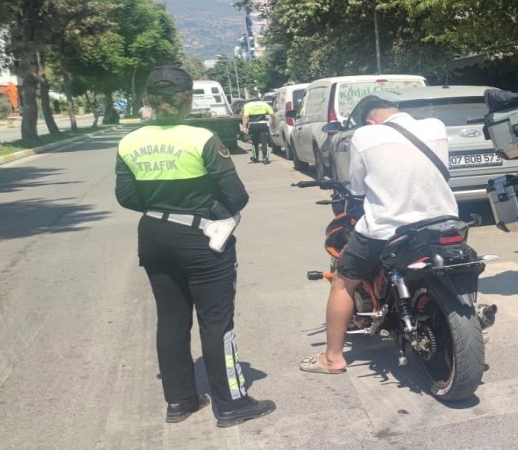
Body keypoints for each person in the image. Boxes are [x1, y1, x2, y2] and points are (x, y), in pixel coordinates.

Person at [115, 64, 275, 426]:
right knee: (216, 321)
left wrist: (161, 207)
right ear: (187, 98)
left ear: (148, 99)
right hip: (201, 239)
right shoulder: (201, 138)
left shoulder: (129, 142)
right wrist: (209, 210)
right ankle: (231, 403)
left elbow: (125, 196)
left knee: (171, 320)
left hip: (154, 236)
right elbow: (236, 195)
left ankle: (180, 401)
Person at [299, 99, 458, 374]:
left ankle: (333, 358)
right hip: (443, 222)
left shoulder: (365, 135)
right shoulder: (436, 125)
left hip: (387, 228)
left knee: (342, 282)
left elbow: (358, 188)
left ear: (370, 121)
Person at [241, 90, 275, 164]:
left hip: (253, 125)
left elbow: (245, 116)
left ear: (250, 96)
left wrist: (244, 127)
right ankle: (265, 158)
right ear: (257, 95)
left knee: (254, 142)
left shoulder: (247, 105)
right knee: (264, 142)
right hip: (263, 125)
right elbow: (272, 114)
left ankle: (255, 157)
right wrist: (273, 123)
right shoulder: (264, 104)